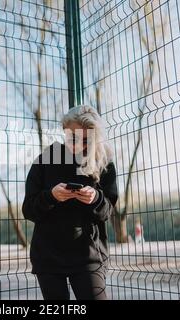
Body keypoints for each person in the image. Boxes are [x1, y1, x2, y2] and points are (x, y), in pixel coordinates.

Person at [22, 105, 118, 300]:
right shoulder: (46, 159)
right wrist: (51, 197)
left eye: (86, 140)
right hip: (48, 256)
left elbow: (108, 210)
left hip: (88, 256)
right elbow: (28, 210)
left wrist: (96, 198)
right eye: (72, 137)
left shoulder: (104, 162)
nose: (78, 145)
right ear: (64, 130)